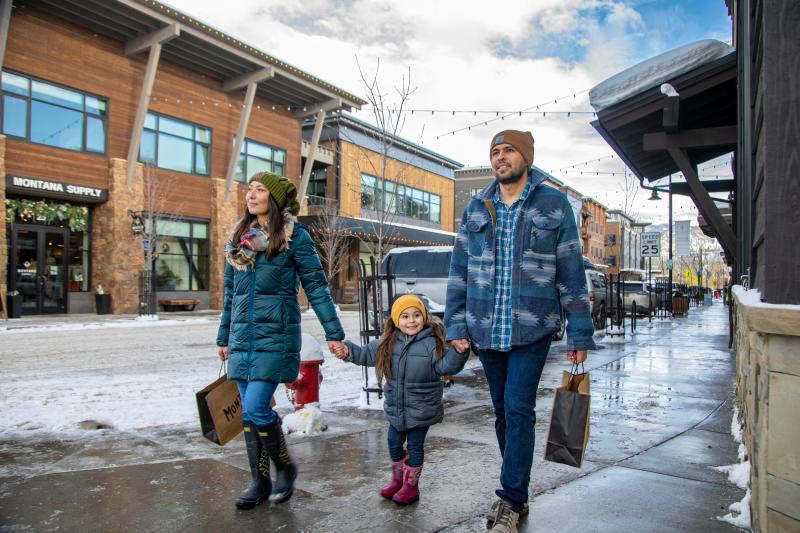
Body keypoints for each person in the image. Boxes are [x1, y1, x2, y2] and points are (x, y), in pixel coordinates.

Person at [444, 130, 596, 533]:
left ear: (525, 156)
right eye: (494, 151)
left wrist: (580, 333)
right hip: (485, 328)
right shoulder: (478, 205)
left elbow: (571, 272)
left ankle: (509, 499)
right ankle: (519, 490)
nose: (500, 157)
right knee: (501, 413)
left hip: (533, 328)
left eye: (508, 150)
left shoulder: (553, 203)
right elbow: (459, 270)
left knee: (517, 408)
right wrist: (456, 324)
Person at [216, 171, 346, 510]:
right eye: (250, 189)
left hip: (277, 333)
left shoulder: (293, 237)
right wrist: (223, 337)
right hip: (243, 336)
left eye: (259, 189)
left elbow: (316, 286)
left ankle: (285, 467)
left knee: (258, 406)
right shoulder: (238, 240)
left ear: (274, 199)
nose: (251, 194)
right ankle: (259, 481)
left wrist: (334, 332)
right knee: (249, 412)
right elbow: (231, 295)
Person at [331, 294, 468, 505]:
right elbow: (364, 354)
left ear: (424, 317)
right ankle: (398, 479)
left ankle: (411, 487)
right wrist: (347, 350)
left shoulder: (432, 343)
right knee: (393, 444)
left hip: (422, 409)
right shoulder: (387, 343)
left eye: (416, 315)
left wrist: (458, 352)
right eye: (404, 316)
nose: (411, 321)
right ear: (395, 320)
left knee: (414, 447)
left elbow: (446, 367)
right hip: (397, 408)